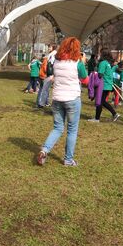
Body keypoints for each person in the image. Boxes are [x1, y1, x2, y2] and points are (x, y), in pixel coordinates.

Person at [36, 37, 88, 167]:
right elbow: (86, 80)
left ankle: (44, 150)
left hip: (57, 99)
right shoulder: (78, 64)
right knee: (72, 130)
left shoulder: (57, 63)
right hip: (72, 99)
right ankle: (68, 159)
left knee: (57, 128)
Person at [88, 48, 119, 122]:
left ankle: (97, 118)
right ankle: (114, 114)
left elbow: (100, 74)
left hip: (103, 85)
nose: (99, 54)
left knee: (99, 101)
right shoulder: (107, 63)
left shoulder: (102, 63)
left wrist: (94, 74)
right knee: (102, 101)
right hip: (108, 85)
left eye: (100, 53)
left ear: (103, 54)